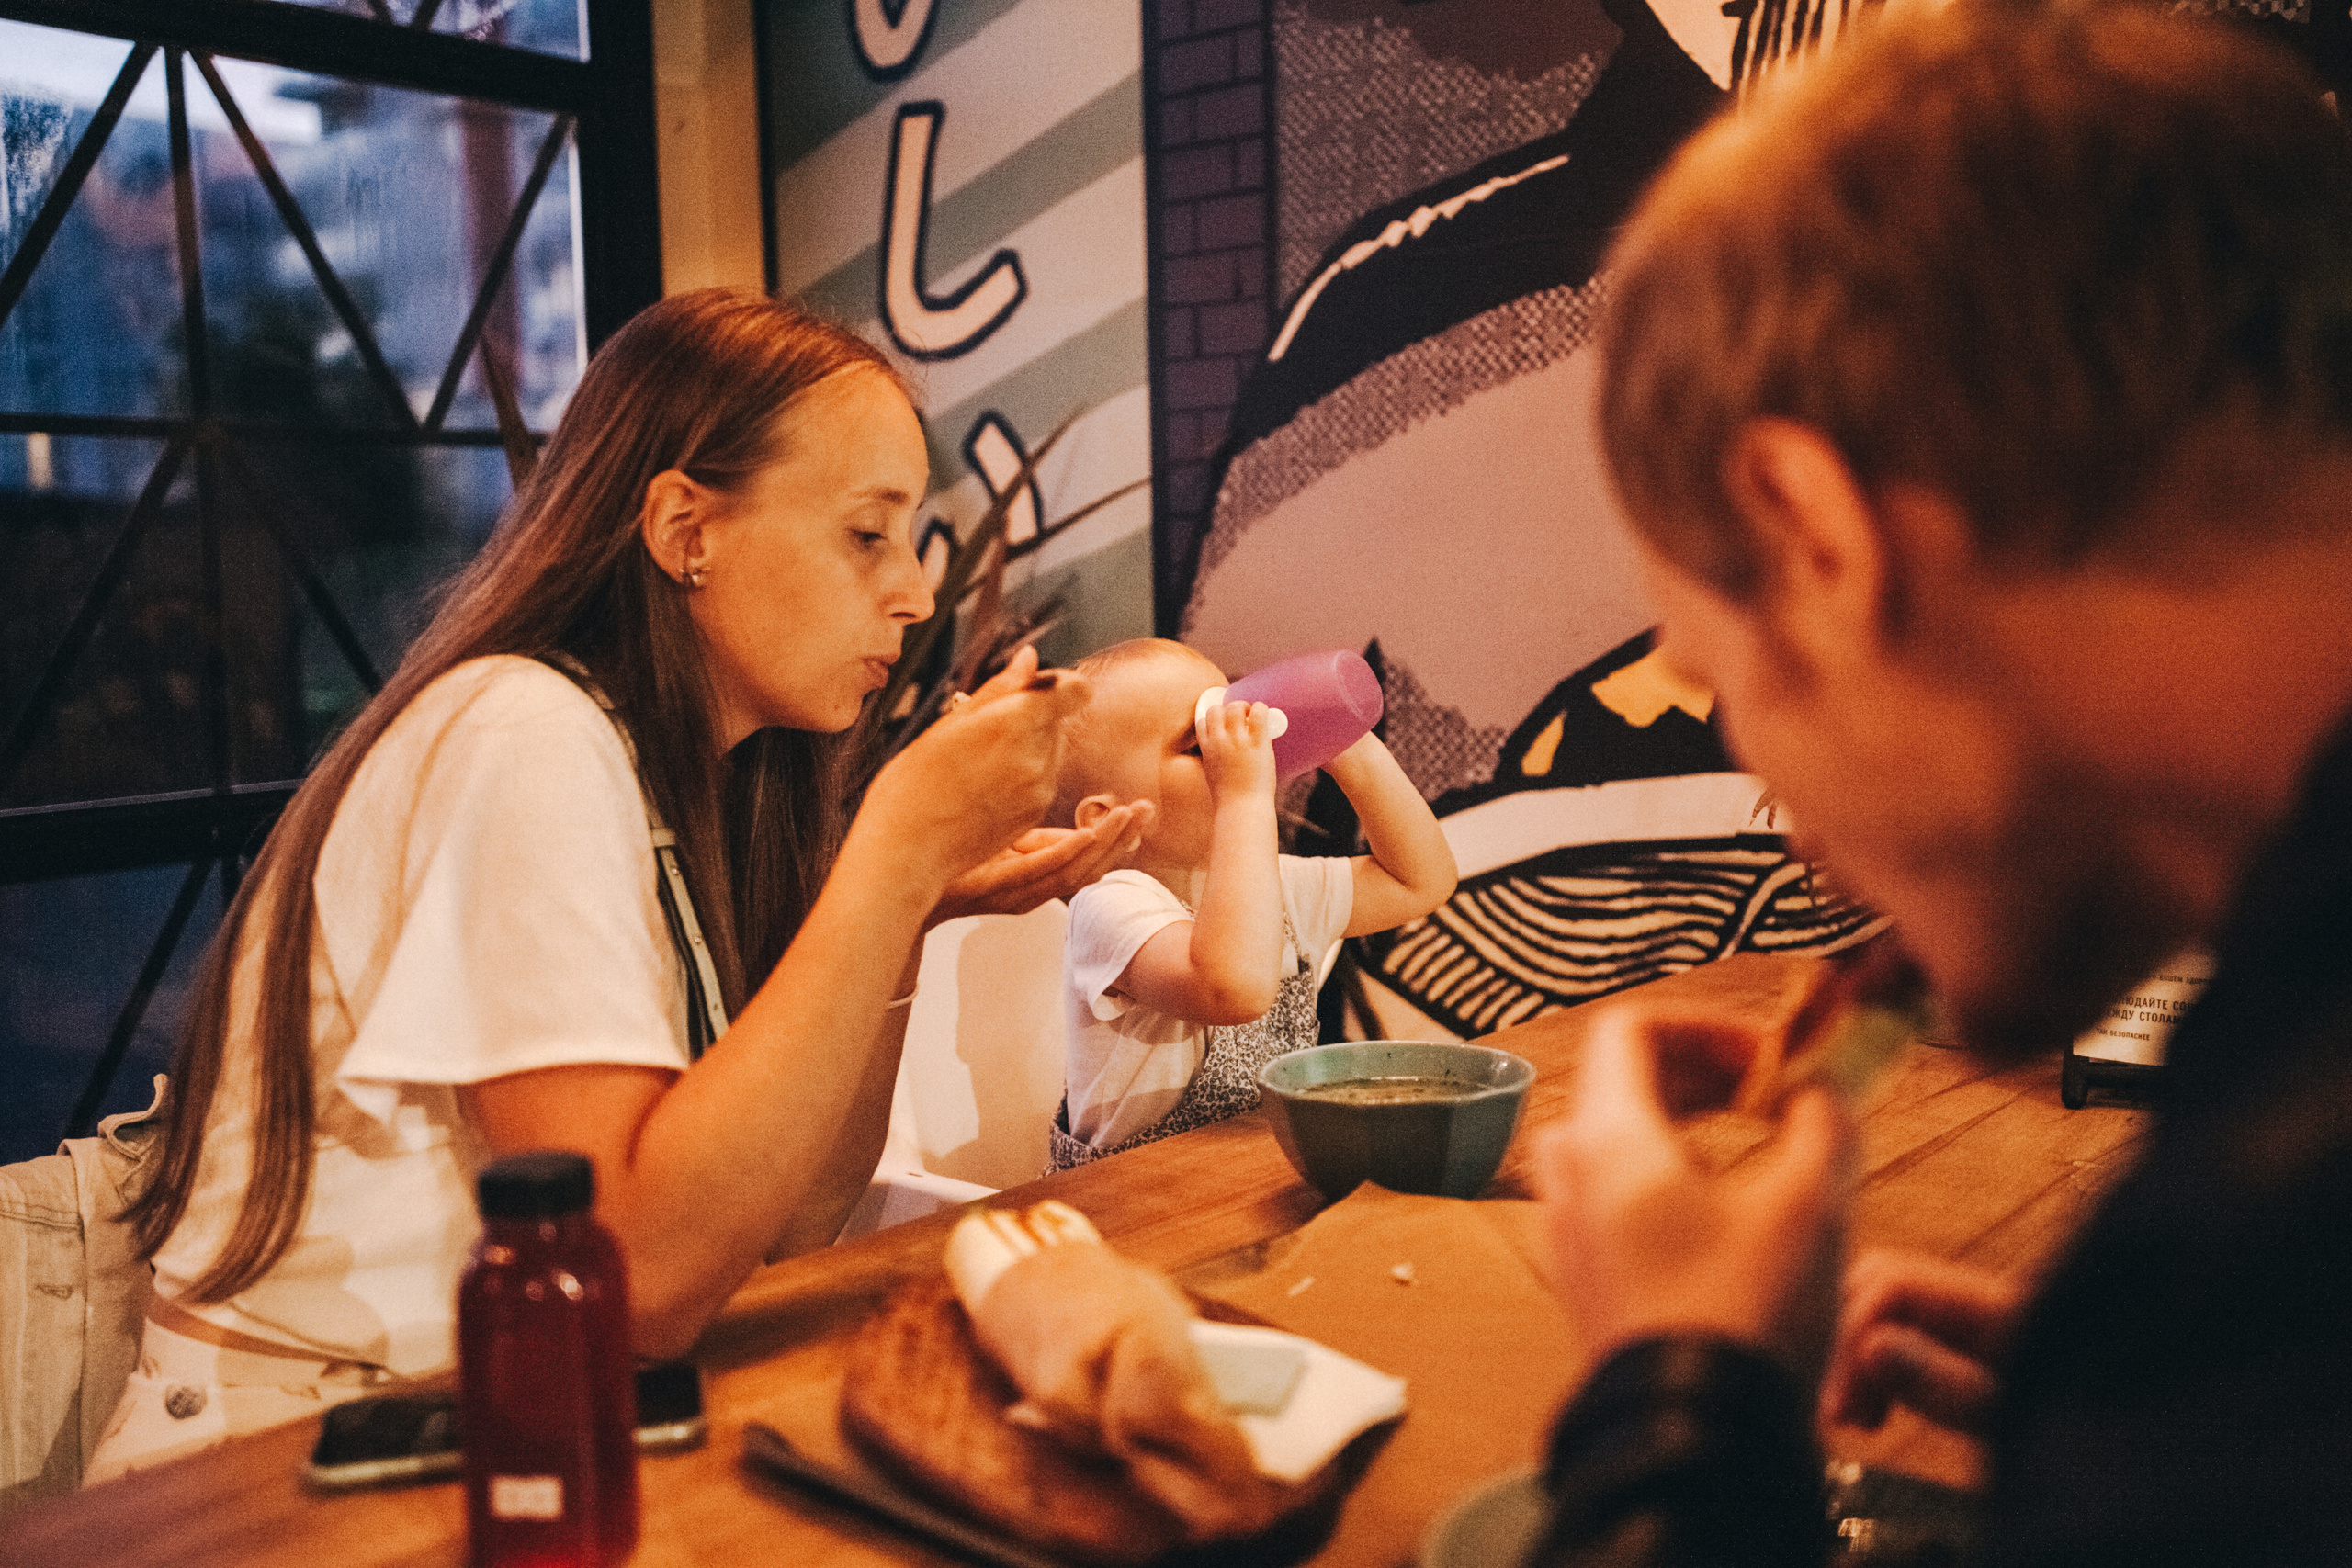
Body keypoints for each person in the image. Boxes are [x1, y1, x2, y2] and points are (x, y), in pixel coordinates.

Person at [1526, 3, 2352, 1563]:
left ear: (1815, 539)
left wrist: (1675, 1403)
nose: (1804, 840)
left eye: (1716, 680)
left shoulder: (2262, 1256)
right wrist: (2125, 1439)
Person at [89, 288, 1150, 1479]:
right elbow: (630, 1283)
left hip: (485, 1422)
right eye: (869, 532)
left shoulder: (662, 778)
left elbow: (787, 1220)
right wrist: (894, 849)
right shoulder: (524, 733)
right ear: (684, 529)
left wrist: (912, 906)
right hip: (282, 1461)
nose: (910, 590)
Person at [1044, 639, 1456, 1168]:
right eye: (1201, 744)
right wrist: (1243, 797)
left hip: (1256, 1172)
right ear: (1109, 819)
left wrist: (1346, 746)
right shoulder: (1110, 908)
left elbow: (1420, 881)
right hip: (1133, 1201)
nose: (1243, 749)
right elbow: (1232, 989)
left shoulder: (1273, 886)